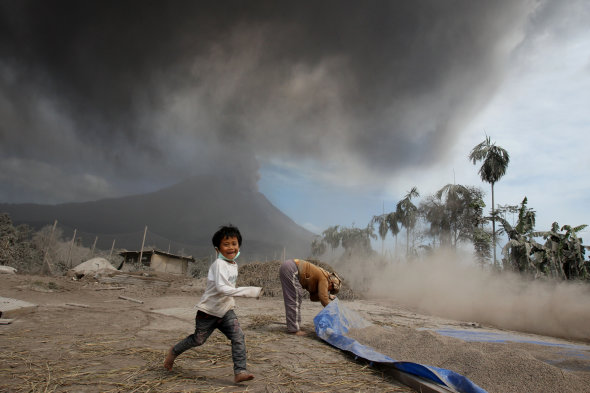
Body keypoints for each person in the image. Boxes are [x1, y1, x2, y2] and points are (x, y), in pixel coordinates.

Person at [164, 225, 262, 384]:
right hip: (208, 312)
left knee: (238, 337)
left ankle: (240, 371)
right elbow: (222, 288)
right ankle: (174, 351)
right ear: (218, 249)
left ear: (239, 245)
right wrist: (250, 291)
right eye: (226, 244)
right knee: (198, 340)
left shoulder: (233, 265)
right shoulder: (218, 265)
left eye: (234, 243)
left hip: (225, 311)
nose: (231, 247)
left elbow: (228, 290)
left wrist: (240, 296)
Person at [279, 258, 342, 336]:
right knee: (295, 298)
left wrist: (328, 296)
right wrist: (333, 312)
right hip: (292, 269)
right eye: (330, 289)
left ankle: (293, 326)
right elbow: (323, 298)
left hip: (289, 267)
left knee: (294, 297)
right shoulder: (324, 278)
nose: (328, 290)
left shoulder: (321, 278)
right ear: (331, 283)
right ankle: (293, 330)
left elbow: (313, 298)